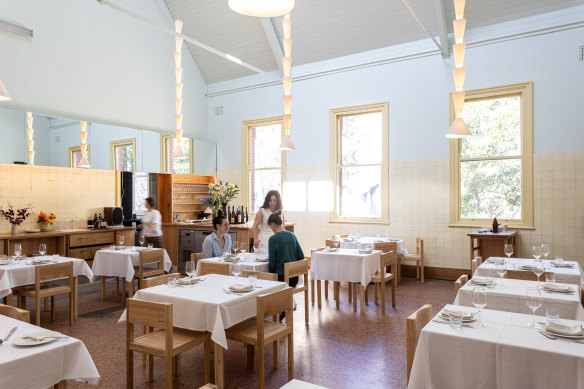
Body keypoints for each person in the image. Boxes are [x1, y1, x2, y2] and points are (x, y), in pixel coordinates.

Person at [267, 213, 303, 287]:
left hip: (281, 278)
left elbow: (272, 264)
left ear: (273, 224)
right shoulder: (292, 235)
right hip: (294, 278)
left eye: (270, 226)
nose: (271, 229)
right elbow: (301, 256)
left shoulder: (273, 239)